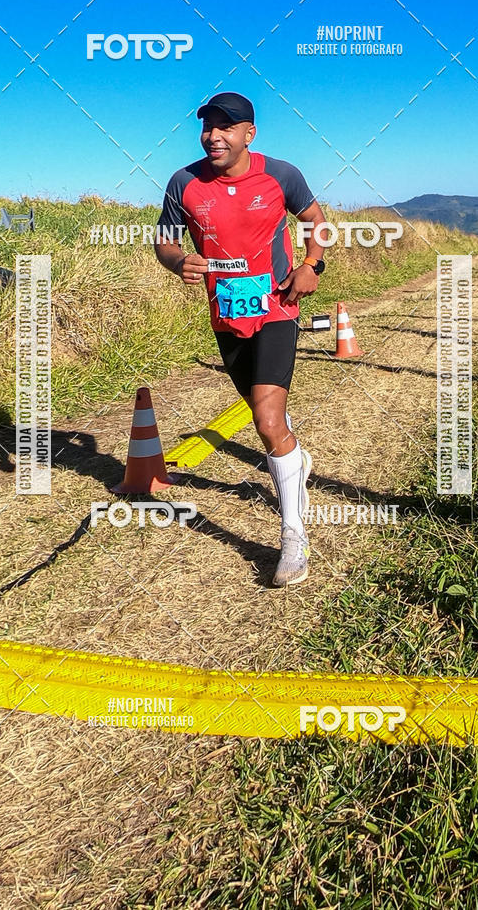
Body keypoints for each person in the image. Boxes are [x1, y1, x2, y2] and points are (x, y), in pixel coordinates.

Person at [154, 92, 327, 586]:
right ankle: (293, 457)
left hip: (277, 307)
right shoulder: (183, 182)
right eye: (207, 126)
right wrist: (177, 261)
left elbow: (315, 221)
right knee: (264, 414)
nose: (214, 136)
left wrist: (311, 265)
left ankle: (293, 536)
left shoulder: (281, 176)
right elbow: (165, 240)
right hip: (226, 313)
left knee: (267, 420)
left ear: (249, 134)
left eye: (225, 127)